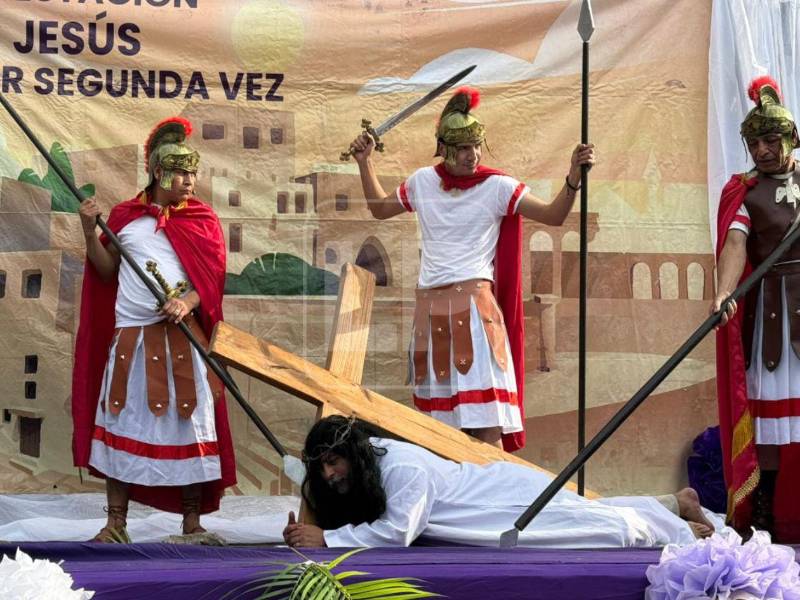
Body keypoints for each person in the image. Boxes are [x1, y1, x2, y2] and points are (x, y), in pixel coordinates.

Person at [349, 87, 595, 452]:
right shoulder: (422, 182)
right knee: (440, 435)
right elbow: (380, 209)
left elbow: (554, 215)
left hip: (476, 318)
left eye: (477, 146)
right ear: (444, 148)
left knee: (486, 427)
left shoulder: (497, 186)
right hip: (431, 315)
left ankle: (495, 490)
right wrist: (364, 162)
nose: (473, 155)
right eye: (464, 148)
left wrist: (573, 177)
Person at [71, 117, 236, 542]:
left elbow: (211, 281)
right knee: (122, 424)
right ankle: (115, 524)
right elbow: (105, 270)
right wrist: (89, 232)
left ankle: (191, 523)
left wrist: (186, 302)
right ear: (159, 172)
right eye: (181, 173)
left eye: (193, 173)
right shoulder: (125, 217)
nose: (190, 182)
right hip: (132, 338)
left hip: (183, 336)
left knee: (189, 425)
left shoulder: (202, 219)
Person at [283, 416, 717, 548]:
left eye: (333, 463)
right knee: (586, 512)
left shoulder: (402, 468)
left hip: (498, 504)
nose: (329, 475)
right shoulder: (364, 465)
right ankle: (675, 503)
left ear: (354, 453)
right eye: (323, 467)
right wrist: (308, 528)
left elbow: (397, 532)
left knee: (599, 527)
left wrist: (327, 539)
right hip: (489, 502)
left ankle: (676, 528)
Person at [712, 76, 800, 544]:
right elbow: (735, 243)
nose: (762, 151)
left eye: (771, 141)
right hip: (773, 318)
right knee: (768, 422)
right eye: (754, 144)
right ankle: (764, 512)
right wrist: (724, 293)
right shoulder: (746, 192)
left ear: (791, 138)